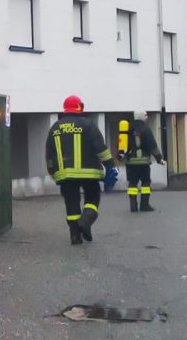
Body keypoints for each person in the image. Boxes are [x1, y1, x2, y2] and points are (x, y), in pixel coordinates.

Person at [46, 95, 114, 245]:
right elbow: (100, 148)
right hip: (89, 173)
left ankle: (75, 236)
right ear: (79, 106)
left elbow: (49, 153)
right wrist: (110, 165)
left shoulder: (55, 127)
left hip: (65, 175)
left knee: (71, 203)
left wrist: (52, 172)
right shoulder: (88, 125)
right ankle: (85, 221)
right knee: (93, 197)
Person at [121, 110, 165, 212]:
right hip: (143, 162)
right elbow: (152, 145)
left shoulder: (128, 128)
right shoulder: (145, 129)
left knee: (132, 183)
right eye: (145, 115)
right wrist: (159, 158)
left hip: (130, 162)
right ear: (141, 116)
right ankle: (144, 205)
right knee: (146, 182)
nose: (147, 117)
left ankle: (133, 206)